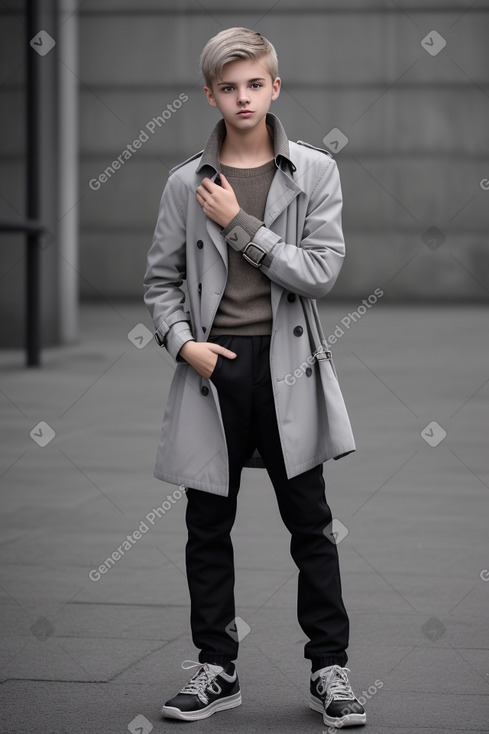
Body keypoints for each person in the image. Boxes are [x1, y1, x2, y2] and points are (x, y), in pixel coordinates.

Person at [143, 26, 366, 728]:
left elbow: (318, 273)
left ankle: (329, 670)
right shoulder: (185, 182)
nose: (242, 97)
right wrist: (185, 347)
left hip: (287, 367)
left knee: (311, 524)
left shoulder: (312, 172)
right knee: (207, 524)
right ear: (211, 95)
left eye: (253, 84)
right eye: (227, 86)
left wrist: (239, 222)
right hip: (215, 371)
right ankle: (217, 669)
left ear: (274, 87)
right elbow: (160, 284)